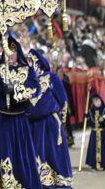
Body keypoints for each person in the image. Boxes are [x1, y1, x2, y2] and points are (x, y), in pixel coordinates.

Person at [0, 31, 42, 189]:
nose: (10, 55)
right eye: (7, 51)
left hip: (18, 120)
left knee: (20, 154)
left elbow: (36, 88)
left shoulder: (26, 70)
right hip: (0, 119)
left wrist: (16, 91)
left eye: (13, 52)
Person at [27, 48, 72, 187]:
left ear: (37, 62)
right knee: (38, 154)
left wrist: (60, 121)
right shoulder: (26, 82)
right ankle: (43, 183)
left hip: (51, 122)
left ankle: (61, 183)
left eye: (30, 60)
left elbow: (63, 100)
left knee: (54, 153)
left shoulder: (51, 77)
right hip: (34, 125)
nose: (27, 64)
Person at [84, 91, 105, 171]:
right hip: (94, 133)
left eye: (98, 101)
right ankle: (93, 164)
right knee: (94, 148)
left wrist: (104, 120)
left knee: (104, 148)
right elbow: (89, 123)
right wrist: (86, 118)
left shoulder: (104, 110)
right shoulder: (90, 112)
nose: (97, 103)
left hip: (102, 133)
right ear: (93, 103)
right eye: (95, 101)